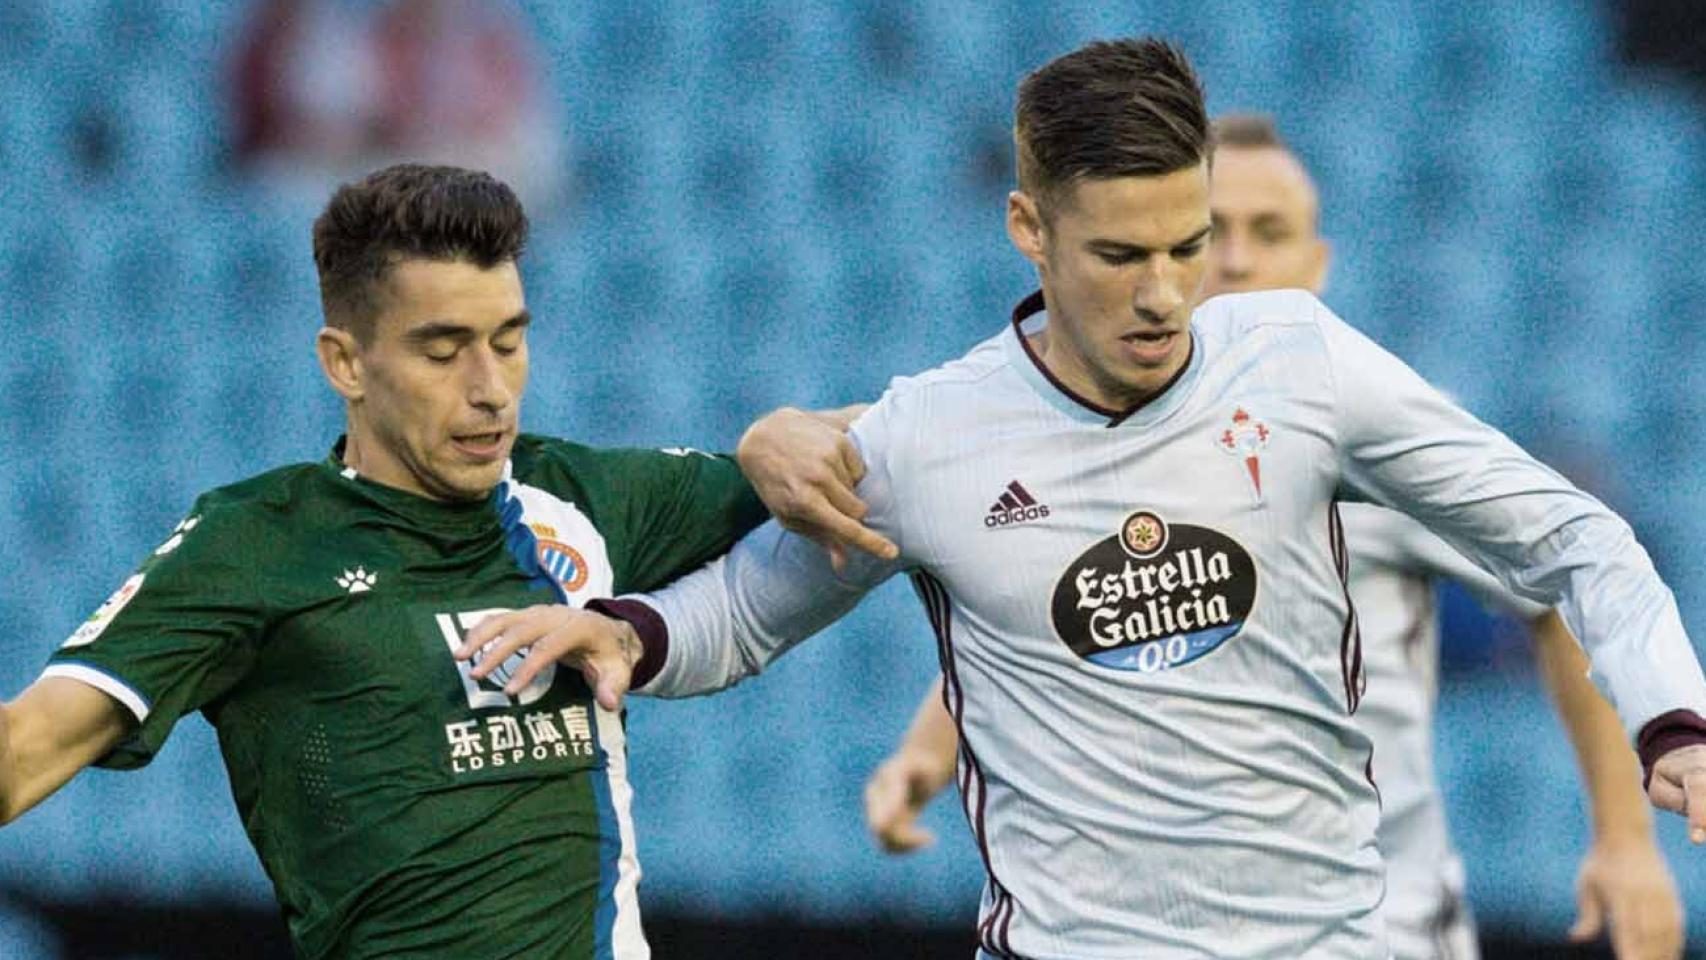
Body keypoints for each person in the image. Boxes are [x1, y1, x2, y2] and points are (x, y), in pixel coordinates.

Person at [460, 38, 1706, 960]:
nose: (1166, 292)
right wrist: (625, 631)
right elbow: (748, 614)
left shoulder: (1300, 363)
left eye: (1186, 243)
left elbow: (1570, 538)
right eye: (1119, 255)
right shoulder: (929, 436)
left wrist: (1671, 721)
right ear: (1027, 229)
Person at [859, 113, 1686, 960]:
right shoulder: (1098, 441)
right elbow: (1038, 623)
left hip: (1379, 923)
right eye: (1213, 233)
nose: (1238, 259)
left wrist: (1624, 840)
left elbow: (1552, 590)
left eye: (1271, 232)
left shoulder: (1377, 443)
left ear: (1317, 267)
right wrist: (928, 753)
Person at [0, 163, 861, 959]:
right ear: (346, 362)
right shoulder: (256, 543)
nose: (489, 387)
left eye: (509, 341)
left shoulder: (578, 501)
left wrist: (777, 433)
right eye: (443, 352)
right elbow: (25, 750)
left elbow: (918, 444)